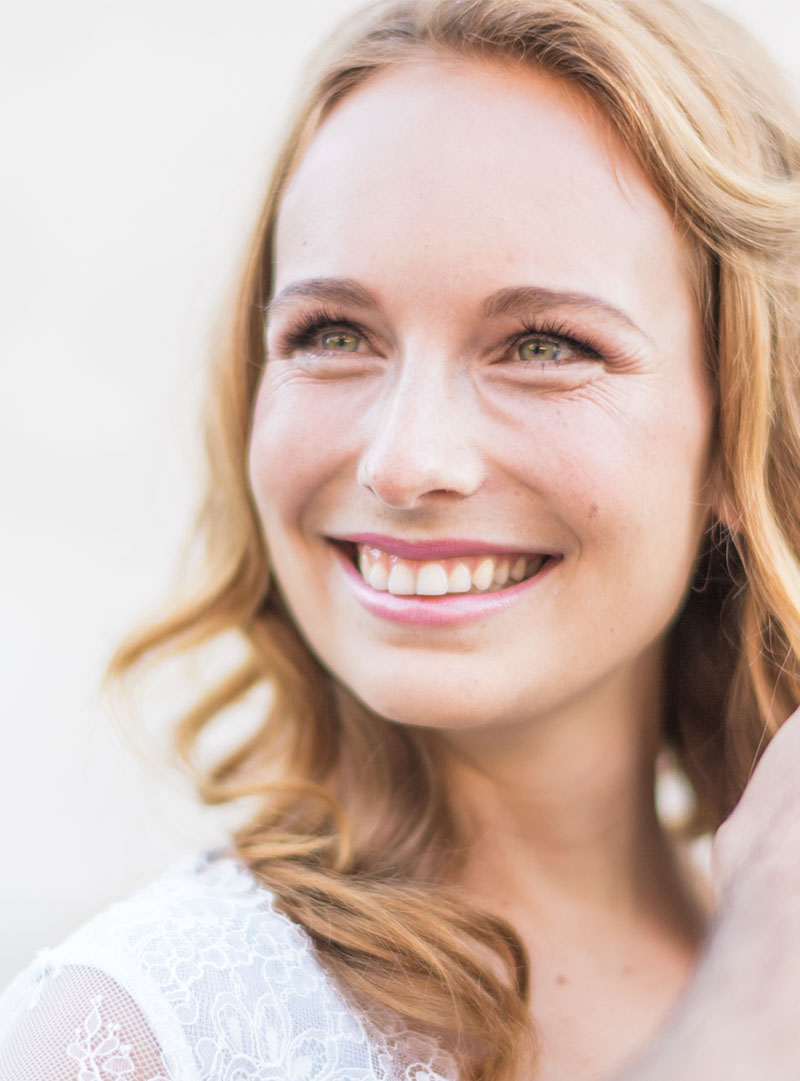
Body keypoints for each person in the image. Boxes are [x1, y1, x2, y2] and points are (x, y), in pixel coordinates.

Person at [1, 0, 799, 1078]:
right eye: (333, 333)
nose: (402, 460)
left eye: (542, 345)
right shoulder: (146, 1034)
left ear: (740, 423)